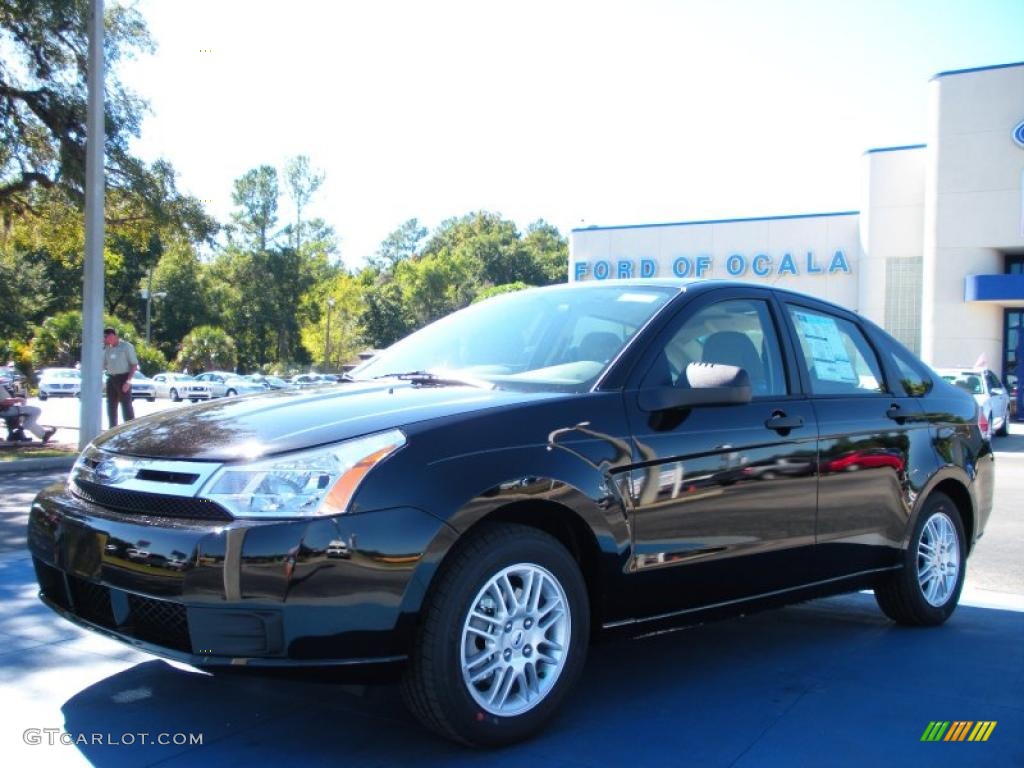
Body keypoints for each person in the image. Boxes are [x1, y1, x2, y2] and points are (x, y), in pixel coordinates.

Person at [103, 327, 138, 427]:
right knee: (111, 406)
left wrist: (128, 381)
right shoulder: (107, 349)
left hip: (123, 378)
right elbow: (104, 364)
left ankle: (130, 428)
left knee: (126, 407)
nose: (105, 339)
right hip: (111, 378)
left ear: (112, 335)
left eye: (106, 337)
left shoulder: (126, 346)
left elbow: (134, 365)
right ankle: (112, 429)